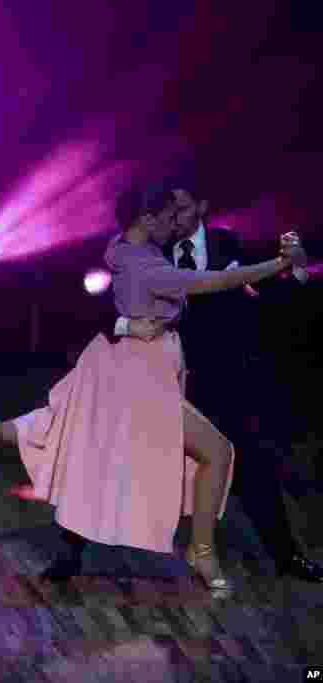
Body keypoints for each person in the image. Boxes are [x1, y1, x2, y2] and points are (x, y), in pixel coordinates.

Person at [0, 182, 297, 597]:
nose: (175, 225)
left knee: (61, 428)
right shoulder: (148, 266)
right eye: (169, 218)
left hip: (142, 365)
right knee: (213, 452)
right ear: (148, 220)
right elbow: (217, 283)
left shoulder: (122, 246)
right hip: (139, 373)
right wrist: (277, 262)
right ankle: (201, 552)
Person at [113, 177, 321, 583]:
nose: (176, 218)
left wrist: (293, 271)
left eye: (184, 210)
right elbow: (121, 298)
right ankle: (74, 549)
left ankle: (286, 556)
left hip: (226, 380)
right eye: (170, 211)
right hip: (167, 378)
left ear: (202, 207)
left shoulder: (229, 245)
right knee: (116, 460)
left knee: (253, 466)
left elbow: (266, 299)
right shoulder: (149, 251)